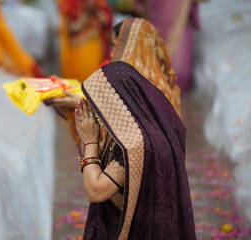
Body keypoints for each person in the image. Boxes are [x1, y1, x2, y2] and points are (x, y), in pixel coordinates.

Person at [75, 61, 195, 239]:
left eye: (99, 103)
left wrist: (90, 141)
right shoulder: (138, 131)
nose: (96, 109)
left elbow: (95, 191)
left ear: (115, 104)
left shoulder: (134, 145)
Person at [46, 18, 181, 145]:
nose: (112, 53)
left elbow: (135, 131)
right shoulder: (126, 79)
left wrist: (82, 105)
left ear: (134, 46)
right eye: (113, 46)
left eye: (118, 45)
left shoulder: (153, 87)